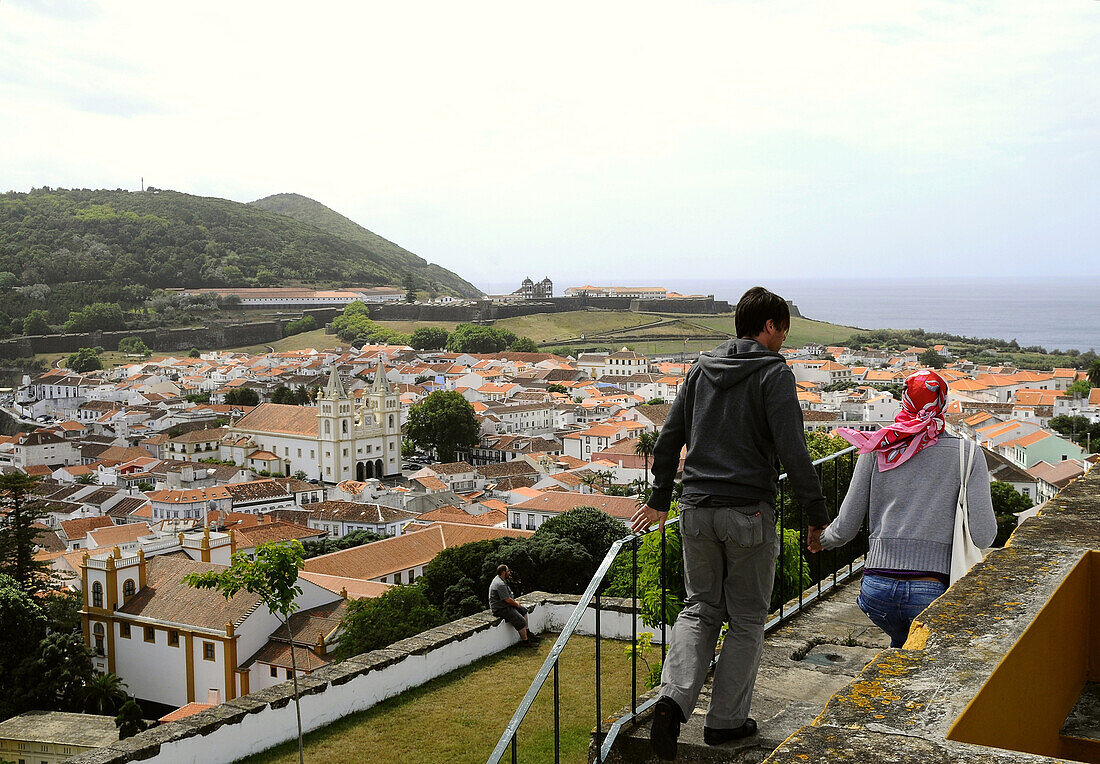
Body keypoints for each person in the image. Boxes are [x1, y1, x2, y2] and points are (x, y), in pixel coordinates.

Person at [631, 286, 829, 760]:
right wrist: (817, 516)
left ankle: (672, 699)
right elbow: (793, 451)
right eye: (782, 330)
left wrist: (660, 498)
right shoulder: (773, 373)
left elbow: (668, 440)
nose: (783, 339)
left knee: (699, 608)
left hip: (695, 509)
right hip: (748, 513)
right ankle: (725, 722)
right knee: (745, 619)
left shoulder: (700, 369)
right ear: (768, 327)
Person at [812, 369, 997, 648]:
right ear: (943, 404)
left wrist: (822, 540)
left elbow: (847, 525)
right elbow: (985, 536)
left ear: (904, 402)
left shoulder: (877, 448)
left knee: (900, 646)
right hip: (932, 588)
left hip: (877, 588)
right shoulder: (968, 454)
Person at [488, 564, 539, 646]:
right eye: (508, 571)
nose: (509, 573)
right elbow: (507, 600)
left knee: (524, 610)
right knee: (521, 621)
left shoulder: (500, 580)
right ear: (503, 572)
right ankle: (525, 642)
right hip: (500, 608)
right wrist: (516, 604)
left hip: (505, 605)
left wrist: (517, 605)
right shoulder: (500, 584)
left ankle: (528, 633)